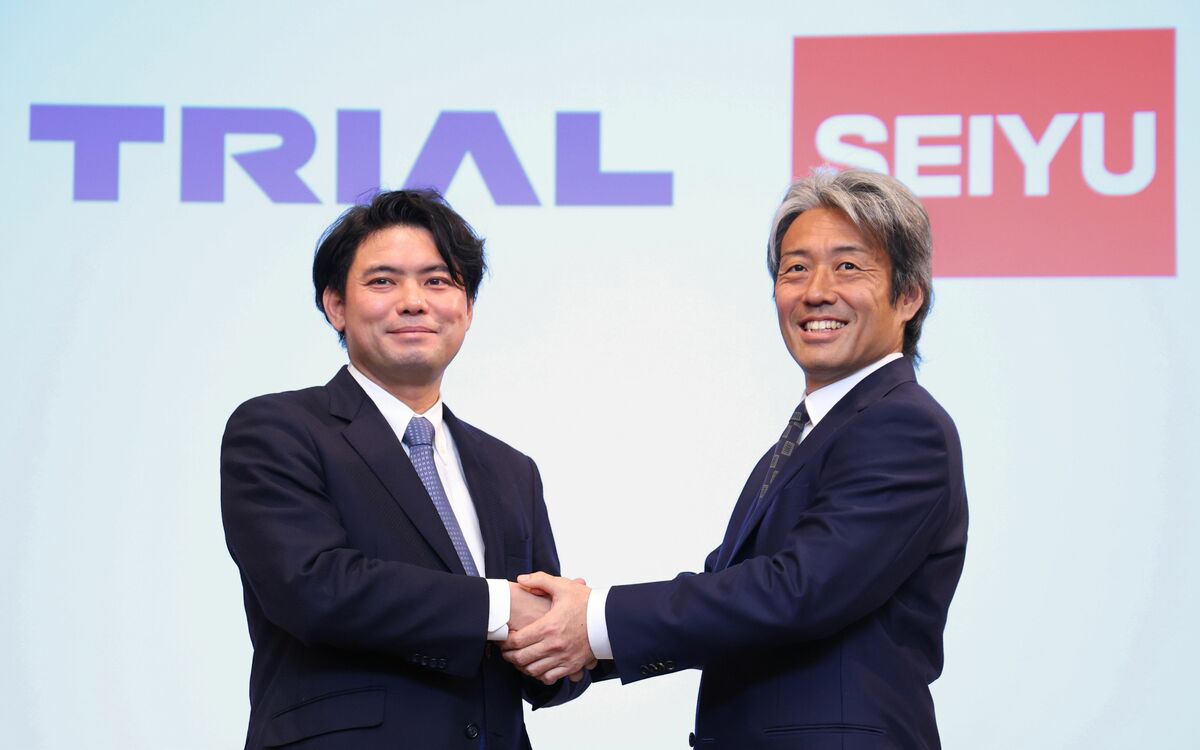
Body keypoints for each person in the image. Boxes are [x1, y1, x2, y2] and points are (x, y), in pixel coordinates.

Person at [503, 168, 968, 749]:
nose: (816, 291)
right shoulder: (811, 435)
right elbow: (728, 592)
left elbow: (794, 591)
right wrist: (565, 641)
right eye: (795, 268)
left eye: (848, 266)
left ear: (909, 295)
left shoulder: (904, 426)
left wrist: (595, 620)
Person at [221, 189, 584, 750]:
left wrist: (575, 637)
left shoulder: (511, 470)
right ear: (335, 306)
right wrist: (500, 605)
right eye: (383, 281)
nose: (413, 302)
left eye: (438, 281)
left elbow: (540, 649)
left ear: (467, 308)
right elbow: (313, 588)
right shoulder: (278, 429)